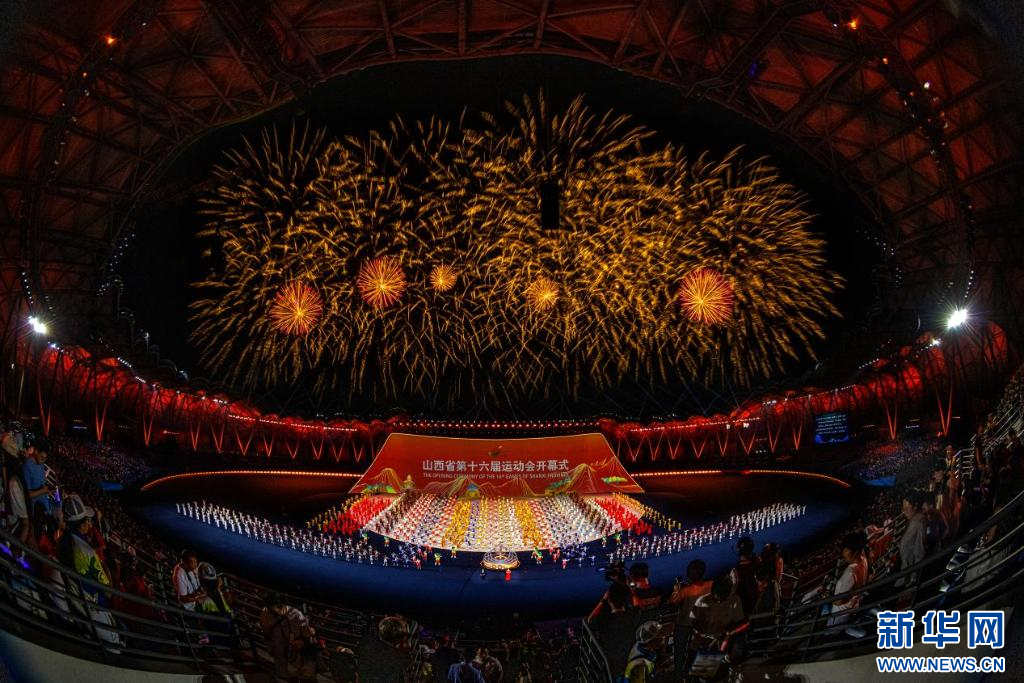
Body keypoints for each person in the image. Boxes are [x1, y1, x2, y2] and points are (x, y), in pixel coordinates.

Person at [260, 592, 321, 681]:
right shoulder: (266, 612)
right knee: (283, 673)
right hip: (280, 651)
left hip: (295, 651)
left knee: (305, 674)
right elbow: (266, 631)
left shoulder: (295, 614)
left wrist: (302, 641)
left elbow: (306, 634)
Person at [829, 532, 868, 625]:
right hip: (852, 607)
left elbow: (838, 601)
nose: (843, 554)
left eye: (846, 551)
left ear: (855, 552)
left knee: (831, 631)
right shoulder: (864, 560)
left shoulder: (850, 573)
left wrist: (827, 596)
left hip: (839, 614)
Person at [730, 537, 761, 615]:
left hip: (743, 607)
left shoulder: (736, 571)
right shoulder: (758, 561)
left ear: (738, 550)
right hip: (756, 601)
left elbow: (732, 591)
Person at [898, 491, 927, 571]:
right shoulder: (912, 520)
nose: (903, 512)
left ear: (915, 506)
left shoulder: (919, 523)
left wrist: (914, 575)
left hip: (909, 573)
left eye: (906, 509)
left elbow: (920, 553)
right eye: (903, 509)